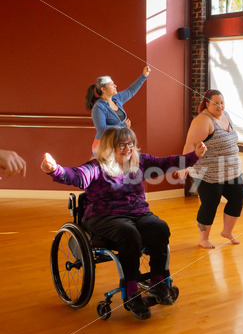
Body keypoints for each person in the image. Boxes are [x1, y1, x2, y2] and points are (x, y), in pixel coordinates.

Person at [41, 127, 207, 320]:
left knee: (160, 228)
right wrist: (55, 170)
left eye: (131, 143)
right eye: (122, 144)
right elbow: (77, 175)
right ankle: (130, 291)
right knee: (129, 233)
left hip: (137, 213)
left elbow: (167, 163)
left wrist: (194, 156)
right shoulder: (97, 167)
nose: (128, 148)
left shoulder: (140, 161)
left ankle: (157, 282)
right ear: (110, 147)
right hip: (104, 216)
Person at [178, 89, 243, 249]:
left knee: (238, 196)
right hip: (207, 173)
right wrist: (183, 166)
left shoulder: (226, 116)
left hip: (232, 171)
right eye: (216, 103)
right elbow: (190, 144)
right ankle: (203, 238)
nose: (220, 106)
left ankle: (227, 232)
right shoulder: (203, 120)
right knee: (210, 203)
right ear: (207, 103)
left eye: (222, 102)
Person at [85, 66, 151, 154]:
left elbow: (130, 91)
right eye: (111, 84)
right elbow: (101, 129)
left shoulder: (116, 98)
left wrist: (144, 76)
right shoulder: (99, 107)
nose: (115, 86)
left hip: (117, 143)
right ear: (103, 89)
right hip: (104, 147)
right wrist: (123, 125)